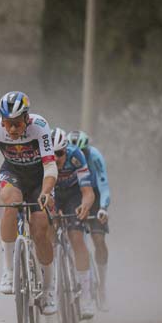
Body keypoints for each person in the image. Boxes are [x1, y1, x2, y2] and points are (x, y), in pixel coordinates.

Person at [0, 91, 59, 315]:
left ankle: (48, 289)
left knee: (40, 230)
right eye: (8, 123)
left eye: (17, 123)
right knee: (11, 203)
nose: (13, 129)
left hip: (39, 177)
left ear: (27, 118)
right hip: (13, 173)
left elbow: (50, 165)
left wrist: (46, 191)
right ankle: (8, 270)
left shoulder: (40, 126)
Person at [49, 127, 97, 318]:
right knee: (47, 233)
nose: (55, 159)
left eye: (59, 154)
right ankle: (51, 282)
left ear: (66, 150)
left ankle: (86, 297)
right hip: (52, 192)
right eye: (51, 154)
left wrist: (85, 205)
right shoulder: (42, 159)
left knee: (76, 237)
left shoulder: (76, 156)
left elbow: (88, 192)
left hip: (73, 195)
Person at [68, 129, 111, 309]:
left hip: (94, 195)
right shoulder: (67, 156)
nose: (81, 157)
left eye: (83, 152)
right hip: (75, 194)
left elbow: (104, 184)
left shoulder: (95, 156)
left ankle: (102, 286)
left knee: (98, 239)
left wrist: (103, 208)